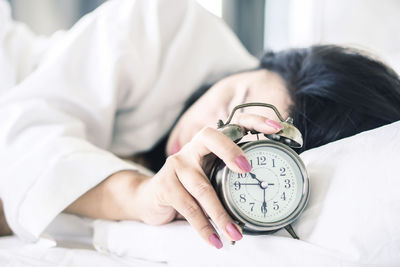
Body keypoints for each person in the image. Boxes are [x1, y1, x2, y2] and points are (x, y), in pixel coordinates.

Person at [1, 0, 400, 250]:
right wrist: (140, 195)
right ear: (261, 63)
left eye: (242, 144)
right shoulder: (165, 22)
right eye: (230, 103)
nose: (203, 136)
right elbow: (21, 141)